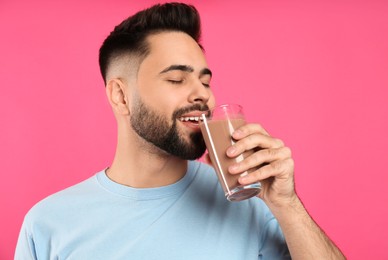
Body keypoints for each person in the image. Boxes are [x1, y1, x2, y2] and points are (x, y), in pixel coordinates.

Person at [15, 3, 345, 260]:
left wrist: (286, 204)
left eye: (205, 81)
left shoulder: (250, 201)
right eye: (176, 79)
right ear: (120, 96)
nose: (203, 94)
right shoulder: (49, 223)